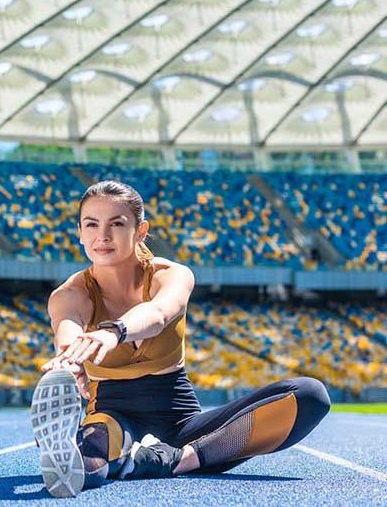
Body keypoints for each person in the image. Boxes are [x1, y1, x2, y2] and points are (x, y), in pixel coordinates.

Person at [30, 181, 330, 497]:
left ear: (140, 231)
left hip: (181, 422)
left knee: (310, 395)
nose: (102, 236)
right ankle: (95, 453)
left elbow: (159, 313)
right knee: (90, 461)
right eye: (91, 224)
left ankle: (173, 460)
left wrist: (114, 331)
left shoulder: (171, 274)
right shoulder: (71, 293)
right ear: (79, 231)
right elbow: (67, 326)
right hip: (112, 412)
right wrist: (69, 357)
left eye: (117, 224)